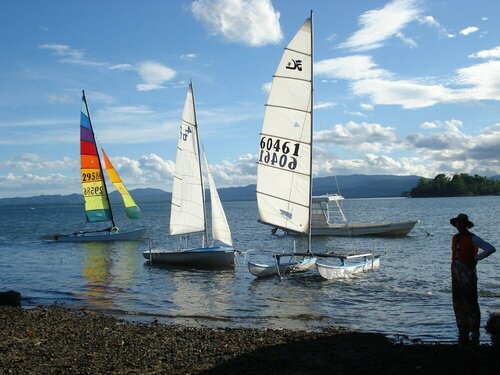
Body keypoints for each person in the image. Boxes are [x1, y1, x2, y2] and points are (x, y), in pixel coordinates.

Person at [450, 213, 496, 344]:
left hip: (468, 274)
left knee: (471, 300)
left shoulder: (473, 238)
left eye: (460, 223)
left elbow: (490, 249)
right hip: (456, 274)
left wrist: (475, 258)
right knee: (458, 301)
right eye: (457, 224)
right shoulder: (455, 238)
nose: (458, 226)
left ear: (465, 225)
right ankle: (463, 329)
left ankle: (475, 330)